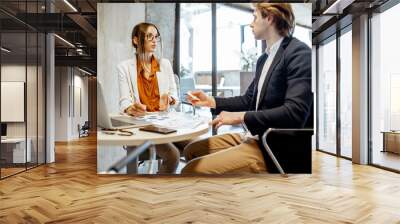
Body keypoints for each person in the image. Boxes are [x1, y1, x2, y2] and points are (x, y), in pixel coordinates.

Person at [182, 3, 313, 174]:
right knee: (191, 150)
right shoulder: (264, 59)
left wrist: (240, 117)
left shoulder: (299, 53)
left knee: (192, 170)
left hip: (275, 146)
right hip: (254, 137)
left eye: (255, 17)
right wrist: (210, 101)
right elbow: (247, 99)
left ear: (270, 18)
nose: (251, 23)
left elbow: (295, 113)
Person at [117, 22, 179, 174]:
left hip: (166, 123)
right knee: (173, 156)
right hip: (143, 126)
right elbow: (124, 101)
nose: (154, 40)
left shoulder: (164, 64)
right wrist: (131, 108)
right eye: (150, 36)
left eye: (156, 37)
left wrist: (169, 100)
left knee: (196, 146)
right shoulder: (124, 68)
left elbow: (174, 96)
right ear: (136, 40)